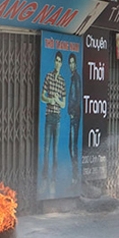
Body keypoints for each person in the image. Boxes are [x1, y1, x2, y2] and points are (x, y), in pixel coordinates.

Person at [41, 51, 66, 182]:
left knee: (55, 150)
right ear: (54, 62)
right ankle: (45, 175)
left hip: (57, 119)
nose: (57, 63)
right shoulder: (48, 77)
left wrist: (57, 99)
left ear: (61, 64)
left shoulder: (62, 82)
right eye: (56, 60)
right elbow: (42, 96)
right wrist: (49, 99)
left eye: (59, 61)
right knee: (46, 148)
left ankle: (54, 176)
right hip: (49, 116)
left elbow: (63, 104)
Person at [67, 53, 81, 182]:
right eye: (70, 63)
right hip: (73, 115)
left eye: (73, 63)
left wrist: (72, 111)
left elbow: (76, 98)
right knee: (72, 146)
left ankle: (75, 176)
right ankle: (74, 175)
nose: (71, 65)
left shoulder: (76, 78)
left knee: (72, 146)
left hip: (74, 116)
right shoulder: (73, 78)